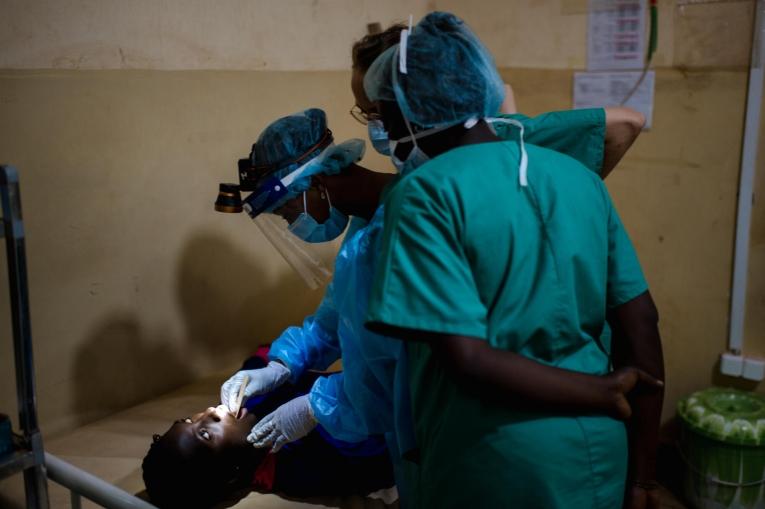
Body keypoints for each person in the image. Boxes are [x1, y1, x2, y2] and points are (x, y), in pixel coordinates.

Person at [220, 99, 657, 507]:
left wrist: (316, 405)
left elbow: (397, 374)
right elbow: (335, 322)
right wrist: (280, 365)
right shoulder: (363, 235)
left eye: (286, 212)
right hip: (465, 440)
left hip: (496, 432)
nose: (293, 223)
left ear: (314, 184)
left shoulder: (411, 221)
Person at [362, 12, 664, 509]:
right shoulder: (576, 177)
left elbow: (469, 359)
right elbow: (641, 322)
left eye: (381, 112)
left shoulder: (422, 192)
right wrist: (645, 477)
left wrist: (602, 391)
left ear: (407, 111)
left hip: (497, 459)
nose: (381, 126)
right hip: (600, 454)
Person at [142, 347, 394, 509]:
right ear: (232, 472)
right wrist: (321, 409)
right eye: (204, 434)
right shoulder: (300, 469)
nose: (208, 413)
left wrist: (275, 366)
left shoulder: (247, 402)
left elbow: (266, 354)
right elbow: (387, 443)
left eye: (189, 419)